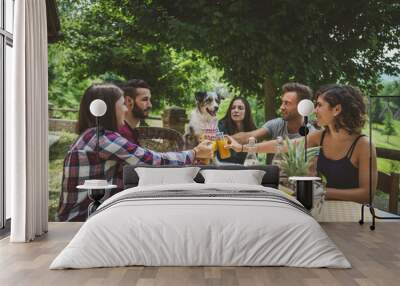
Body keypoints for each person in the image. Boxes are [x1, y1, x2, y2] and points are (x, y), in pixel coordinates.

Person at [57, 83, 212, 222]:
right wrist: (195, 153)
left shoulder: (93, 135)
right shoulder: (101, 139)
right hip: (81, 221)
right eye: (122, 104)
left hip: (86, 215)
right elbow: (152, 160)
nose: (126, 109)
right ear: (110, 109)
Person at [225, 84, 377, 204]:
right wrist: (243, 148)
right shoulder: (320, 137)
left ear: (336, 109)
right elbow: (285, 145)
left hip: (354, 216)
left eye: (319, 105)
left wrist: (320, 191)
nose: (314, 110)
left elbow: (366, 195)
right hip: (323, 208)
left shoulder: (363, 145)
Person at [233, 82, 315, 144]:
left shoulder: (312, 134)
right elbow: (249, 136)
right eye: (282, 102)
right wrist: (224, 140)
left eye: (287, 103)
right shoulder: (277, 124)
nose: (281, 107)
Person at [217, 96, 256, 164]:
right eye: (233, 108)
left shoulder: (252, 129)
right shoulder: (221, 125)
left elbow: (254, 156)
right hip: (224, 166)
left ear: (246, 112)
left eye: (240, 108)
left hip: (246, 168)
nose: (236, 110)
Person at [117, 79, 153, 144]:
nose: (150, 105)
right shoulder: (123, 134)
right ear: (129, 101)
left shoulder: (130, 131)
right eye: (144, 99)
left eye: (149, 100)